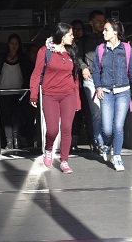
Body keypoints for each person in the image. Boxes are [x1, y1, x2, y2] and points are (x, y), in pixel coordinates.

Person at [29, 23, 82, 174]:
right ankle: (48, 148)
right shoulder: (45, 51)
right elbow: (36, 73)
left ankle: (64, 161)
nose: (73, 37)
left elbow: (75, 78)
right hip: (50, 95)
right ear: (62, 35)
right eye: (70, 34)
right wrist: (33, 94)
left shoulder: (71, 52)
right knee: (52, 130)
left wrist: (77, 99)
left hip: (69, 95)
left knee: (67, 129)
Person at [92, 18, 132, 172]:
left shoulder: (127, 49)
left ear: (115, 32)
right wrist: (98, 86)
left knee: (118, 127)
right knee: (107, 129)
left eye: (106, 29)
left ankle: (117, 156)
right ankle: (107, 145)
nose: (103, 32)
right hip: (106, 92)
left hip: (123, 92)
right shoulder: (100, 49)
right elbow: (96, 70)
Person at [0, 34, 31, 149]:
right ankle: (9, 142)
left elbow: (27, 74)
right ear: (8, 44)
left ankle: (16, 140)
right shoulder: (1, 58)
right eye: (12, 43)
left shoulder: (23, 58)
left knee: (17, 118)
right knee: (6, 119)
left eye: (16, 44)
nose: (14, 46)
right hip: (3, 93)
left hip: (19, 93)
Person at [79, 10, 107, 153]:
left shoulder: (107, 37)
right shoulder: (84, 39)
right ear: (91, 22)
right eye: (98, 21)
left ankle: (105, 139)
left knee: (107, 111)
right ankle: (99, 141)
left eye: (103, 21)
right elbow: (77, 57)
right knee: (96, 112)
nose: (101, 23)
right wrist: (83, 67)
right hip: (90, 80)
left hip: (106, 78)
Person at [70, 19, 92, 151]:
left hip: (87, 80)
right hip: (73, 82)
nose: (77, 32)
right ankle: (73, 140)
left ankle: (92, 139)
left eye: (80, 29)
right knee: (74, 113)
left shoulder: (87, 42)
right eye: (75, 29)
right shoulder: (68, 43)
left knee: (89, 111)